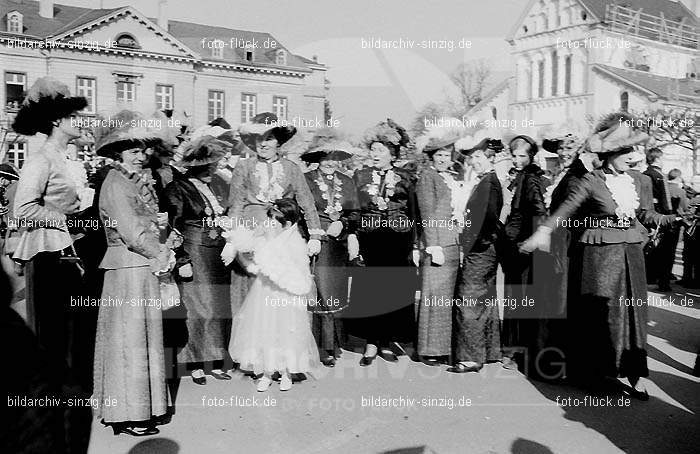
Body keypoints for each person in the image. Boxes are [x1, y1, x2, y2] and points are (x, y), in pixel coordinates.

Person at [521, 114, 679, 399]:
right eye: (626, 152)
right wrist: (542, 232)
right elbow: (565, 209)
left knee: (634, 314)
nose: (631, 157)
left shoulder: (639, 181)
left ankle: (634, 374)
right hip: (600, 258)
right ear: (610, 154)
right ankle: (599, 374)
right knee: (603, 317)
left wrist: (669, 219)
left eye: (632, 152)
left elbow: (644, 213)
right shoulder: (591, 181)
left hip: (632, 255)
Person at [91, 110, 172, 436]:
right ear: (117, 153)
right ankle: (129, 413)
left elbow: (149, 224)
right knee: (129, 340)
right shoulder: (116, 184)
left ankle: (144, 408)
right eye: (133, 151)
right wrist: (161, 252)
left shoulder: (132, 182)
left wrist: (169, 237)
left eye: (143, 150)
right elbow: (133, 233)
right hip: (128, 267)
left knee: (143, 339)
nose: (141, 157)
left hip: (140, 267)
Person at [11, 77, 91, 387]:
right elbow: (23, 209)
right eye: (74, 115)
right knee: (52, 331)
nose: (80, 121)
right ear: (57, 120)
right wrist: (67, 220)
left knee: (72, 328)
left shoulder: (67, 160)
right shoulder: (40, 159)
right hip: (48, 254)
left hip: (70, 252)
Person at [226, 113, 322, 316]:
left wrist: (314, 235)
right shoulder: (244, 167)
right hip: (252, 234)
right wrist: (231, 240)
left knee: (281, 289)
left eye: (268, 138)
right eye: (259, 138)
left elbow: (306, 201)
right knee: (253, 288)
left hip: (283, 235)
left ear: (278, 141)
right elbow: (236, 204)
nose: (263, 144)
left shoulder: (292, 168)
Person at [226, 198, 320, 392]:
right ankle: (267, 371)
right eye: (270, 219)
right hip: (265, 290)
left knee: (286, 329)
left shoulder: (295, 241)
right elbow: (248, 247)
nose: (271, 224)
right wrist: (239, 239)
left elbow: (298, 270)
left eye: (277, 220)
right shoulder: (264, 236)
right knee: (265, 326)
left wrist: (286, 276)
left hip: (286, 293)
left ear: (288, 223)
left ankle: (286, 371)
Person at [162, 134, 234, 384]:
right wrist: (181, 260)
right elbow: (172, 226)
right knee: (197, 309)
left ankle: (214, 359)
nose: (210, 170)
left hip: (216, 252)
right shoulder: (177, 187)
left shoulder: (214, 185)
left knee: (217, 307)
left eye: (212, 166)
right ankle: (194, 364)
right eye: (206, 167)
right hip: (194, 250)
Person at [350, 119, 417, 366]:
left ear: (392, 153)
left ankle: (387, 341)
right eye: (373, 149)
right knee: (370, 292)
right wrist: (353, 235)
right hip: (371, 240)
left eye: (380, 150)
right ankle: (371, 342)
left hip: (398, 241)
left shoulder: (406, 177)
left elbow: (414, 210)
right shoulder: (361, 175)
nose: (375, 154)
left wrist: (416, 244)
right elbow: (354, 208)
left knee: (393, 290)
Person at [300, 140, 360, 367]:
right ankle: (320, 346)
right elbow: (300, 209)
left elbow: (355, 212)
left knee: (335, 291)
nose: (330, 163)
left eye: (334, 158)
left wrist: (344, 224)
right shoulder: (306, 180)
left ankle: (335, 342)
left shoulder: (346, 180)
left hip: (338, 242)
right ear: (317, 160)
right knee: (320, 292)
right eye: (325, 158)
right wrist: (313, 233)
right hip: (317, 239)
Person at [415, 134, 471, 365]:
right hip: (437, 244)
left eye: (446, 155)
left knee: (444, 299)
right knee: (434, 297)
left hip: (451, 242)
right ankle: (429, 349)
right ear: (431, 156)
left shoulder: (447, 177)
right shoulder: (428, 177)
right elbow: (427, 214)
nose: (443, 159)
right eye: (438, 155)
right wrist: (433, 245)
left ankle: (442, 346)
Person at [449, 138, 504, 373]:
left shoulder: (489, 183)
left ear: (490, 159)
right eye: (472, 157)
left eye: (479, 157)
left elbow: (489, 218)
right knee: (485, 299)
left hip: (481, 249)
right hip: (486, 248)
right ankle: (490, 351)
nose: (474, 161)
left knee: (468, 299)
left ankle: (471, 358)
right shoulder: (486, 181)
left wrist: (471, 242)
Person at [501, 134, 549, 374]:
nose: (517, 159)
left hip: (522, 246)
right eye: (514, 155)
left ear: (531, 156)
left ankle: (514, 350)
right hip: (517, 244)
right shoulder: (519, 176)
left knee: (520, 297)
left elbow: (539, 210)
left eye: (522, 155)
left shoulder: (530, 178)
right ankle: (513, 349)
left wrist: (528, 239)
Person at [643, 148, 674, 291]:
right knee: (665, 252)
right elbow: (666, 200)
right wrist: (670, 215)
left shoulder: (644, 174)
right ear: (658, 159)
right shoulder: (660, 175)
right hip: (660, 216)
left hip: (647, 215)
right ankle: (664, 282)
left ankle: (649, 276)